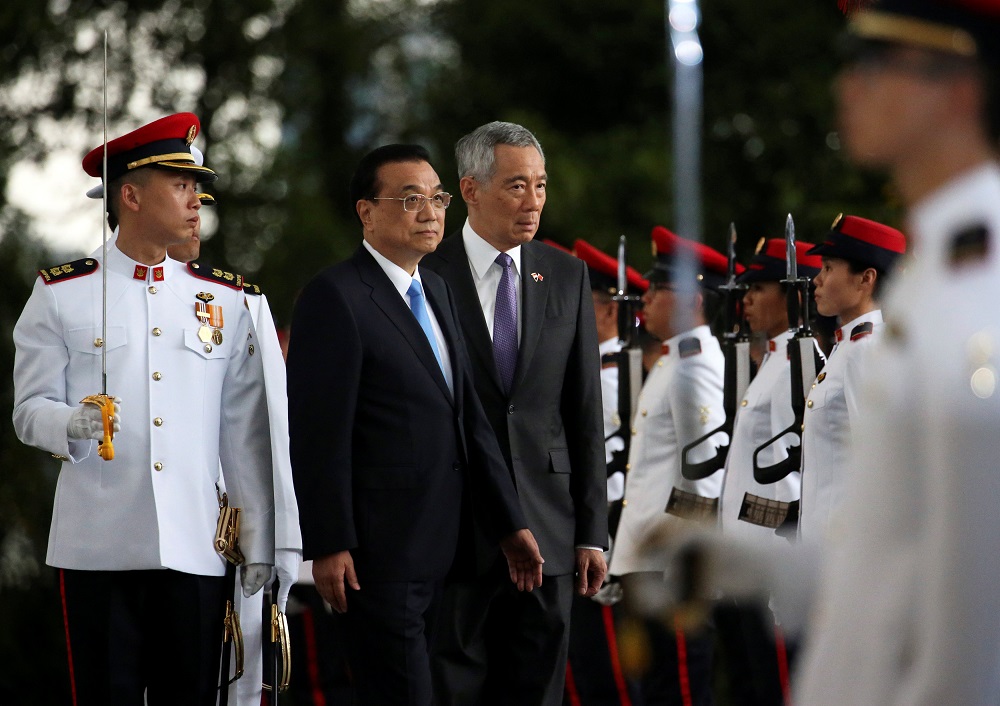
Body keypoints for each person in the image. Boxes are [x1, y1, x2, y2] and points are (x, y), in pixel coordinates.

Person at [12, 112, 275, 704]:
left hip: (195, 544)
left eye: (195, 186)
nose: (195, 199)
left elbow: (245, 433)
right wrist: (70, 422)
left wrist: (263, 537)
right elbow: (28, 409)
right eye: (180, 185)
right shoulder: (62, 291)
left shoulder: (226, 300)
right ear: (129, 195)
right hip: (98, 545)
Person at [285, 143, 543, 706]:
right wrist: (329, 542)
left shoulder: (439, 291)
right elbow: (317, 433)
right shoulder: (337, 297)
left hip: (450, 548)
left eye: (436, 197)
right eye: (409, 199)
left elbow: (468, 417)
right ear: (366, 212)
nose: (430, 212)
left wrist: (508, 522)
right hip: (379, 556)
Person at [795, 0, 1000, 702]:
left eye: (878, 65)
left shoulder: (979, 282)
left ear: (960, 92)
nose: (848, 87)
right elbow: (896, 554)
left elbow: (972, 612)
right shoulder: (935, 273)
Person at [420, 121, 607, 706]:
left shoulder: (566, 275)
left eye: (541, 186)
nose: (534, 203)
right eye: (516, 186)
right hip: (456, 534)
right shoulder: (424, 272)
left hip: (550, 529)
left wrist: (593, 533)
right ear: (470, 190)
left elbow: (583, 409)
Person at [165, 197, 302, 706]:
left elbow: (268, 432)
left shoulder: (238, 299)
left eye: (200, 201)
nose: (195, 214)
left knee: (234, 682)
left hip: (229, 531)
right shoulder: (89, 292)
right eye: (182, 198)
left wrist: (275, 543)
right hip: (146, 534)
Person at [607, 224, 727, 705]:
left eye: (658, 290)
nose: (646, 299)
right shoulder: (671, 362)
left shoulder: (695, 365)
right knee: (656, 688)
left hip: (669, 564)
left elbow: (707, 472)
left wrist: (679, 553)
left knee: (676, 687)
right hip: (647, 557)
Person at [713, 237, 822, 706]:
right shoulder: (771, 361)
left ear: (792, 294)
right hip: (746, 559)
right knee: (750, 687)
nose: (748, 300)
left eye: (759, 288)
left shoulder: (804, 362)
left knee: (777, 689)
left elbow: (798, 469)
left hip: (773, 560)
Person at [564, 237, 648, 706]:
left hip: (606, 538)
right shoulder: (588, 368)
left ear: (607, 310)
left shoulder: (616, 375)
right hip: (579, 532)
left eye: (581, 303)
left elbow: (616, 470)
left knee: (611, 676)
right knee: (581, 667)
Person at [797, 214, 905, 544]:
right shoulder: (848, 346)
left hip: (841, 544)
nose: (817, 279)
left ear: (865, 279)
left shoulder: (865, 349)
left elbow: (879, 465)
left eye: (829, 268)